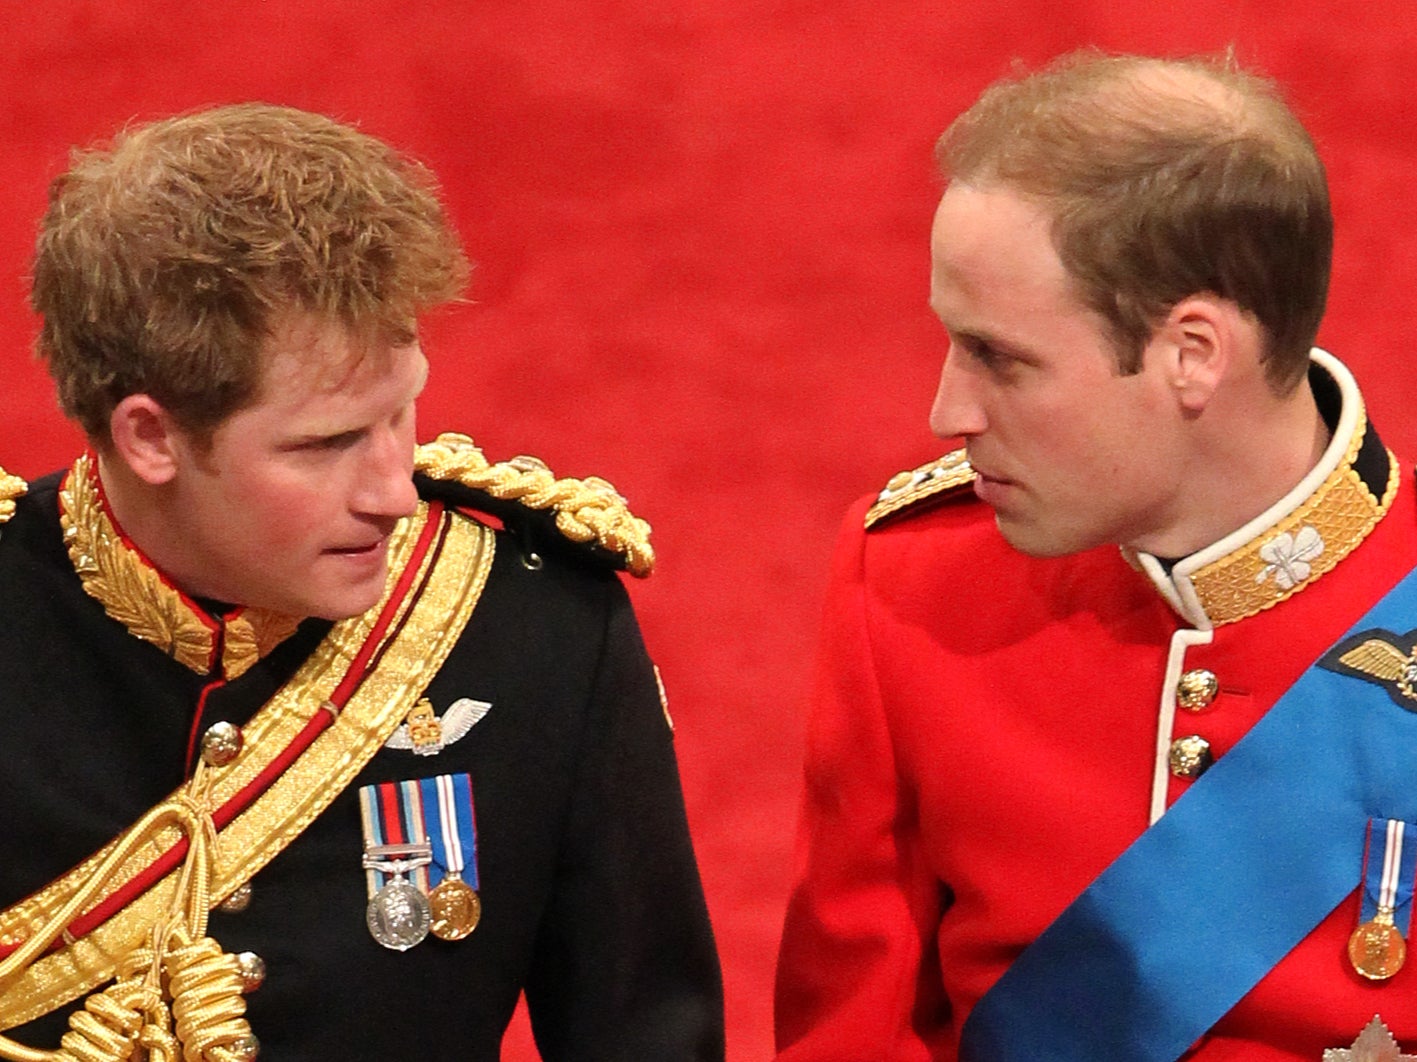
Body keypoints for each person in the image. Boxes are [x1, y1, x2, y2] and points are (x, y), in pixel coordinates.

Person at [0, 104, 723, 1061]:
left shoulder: (540, 633)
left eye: (402, 414)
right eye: (328, 444)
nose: (393, 490)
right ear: (150, 437)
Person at [774, 51, 1417, 1061]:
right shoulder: (908, 586)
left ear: (1191, 354)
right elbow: (854, 1035)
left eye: (1001, 358)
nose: (946, 413)